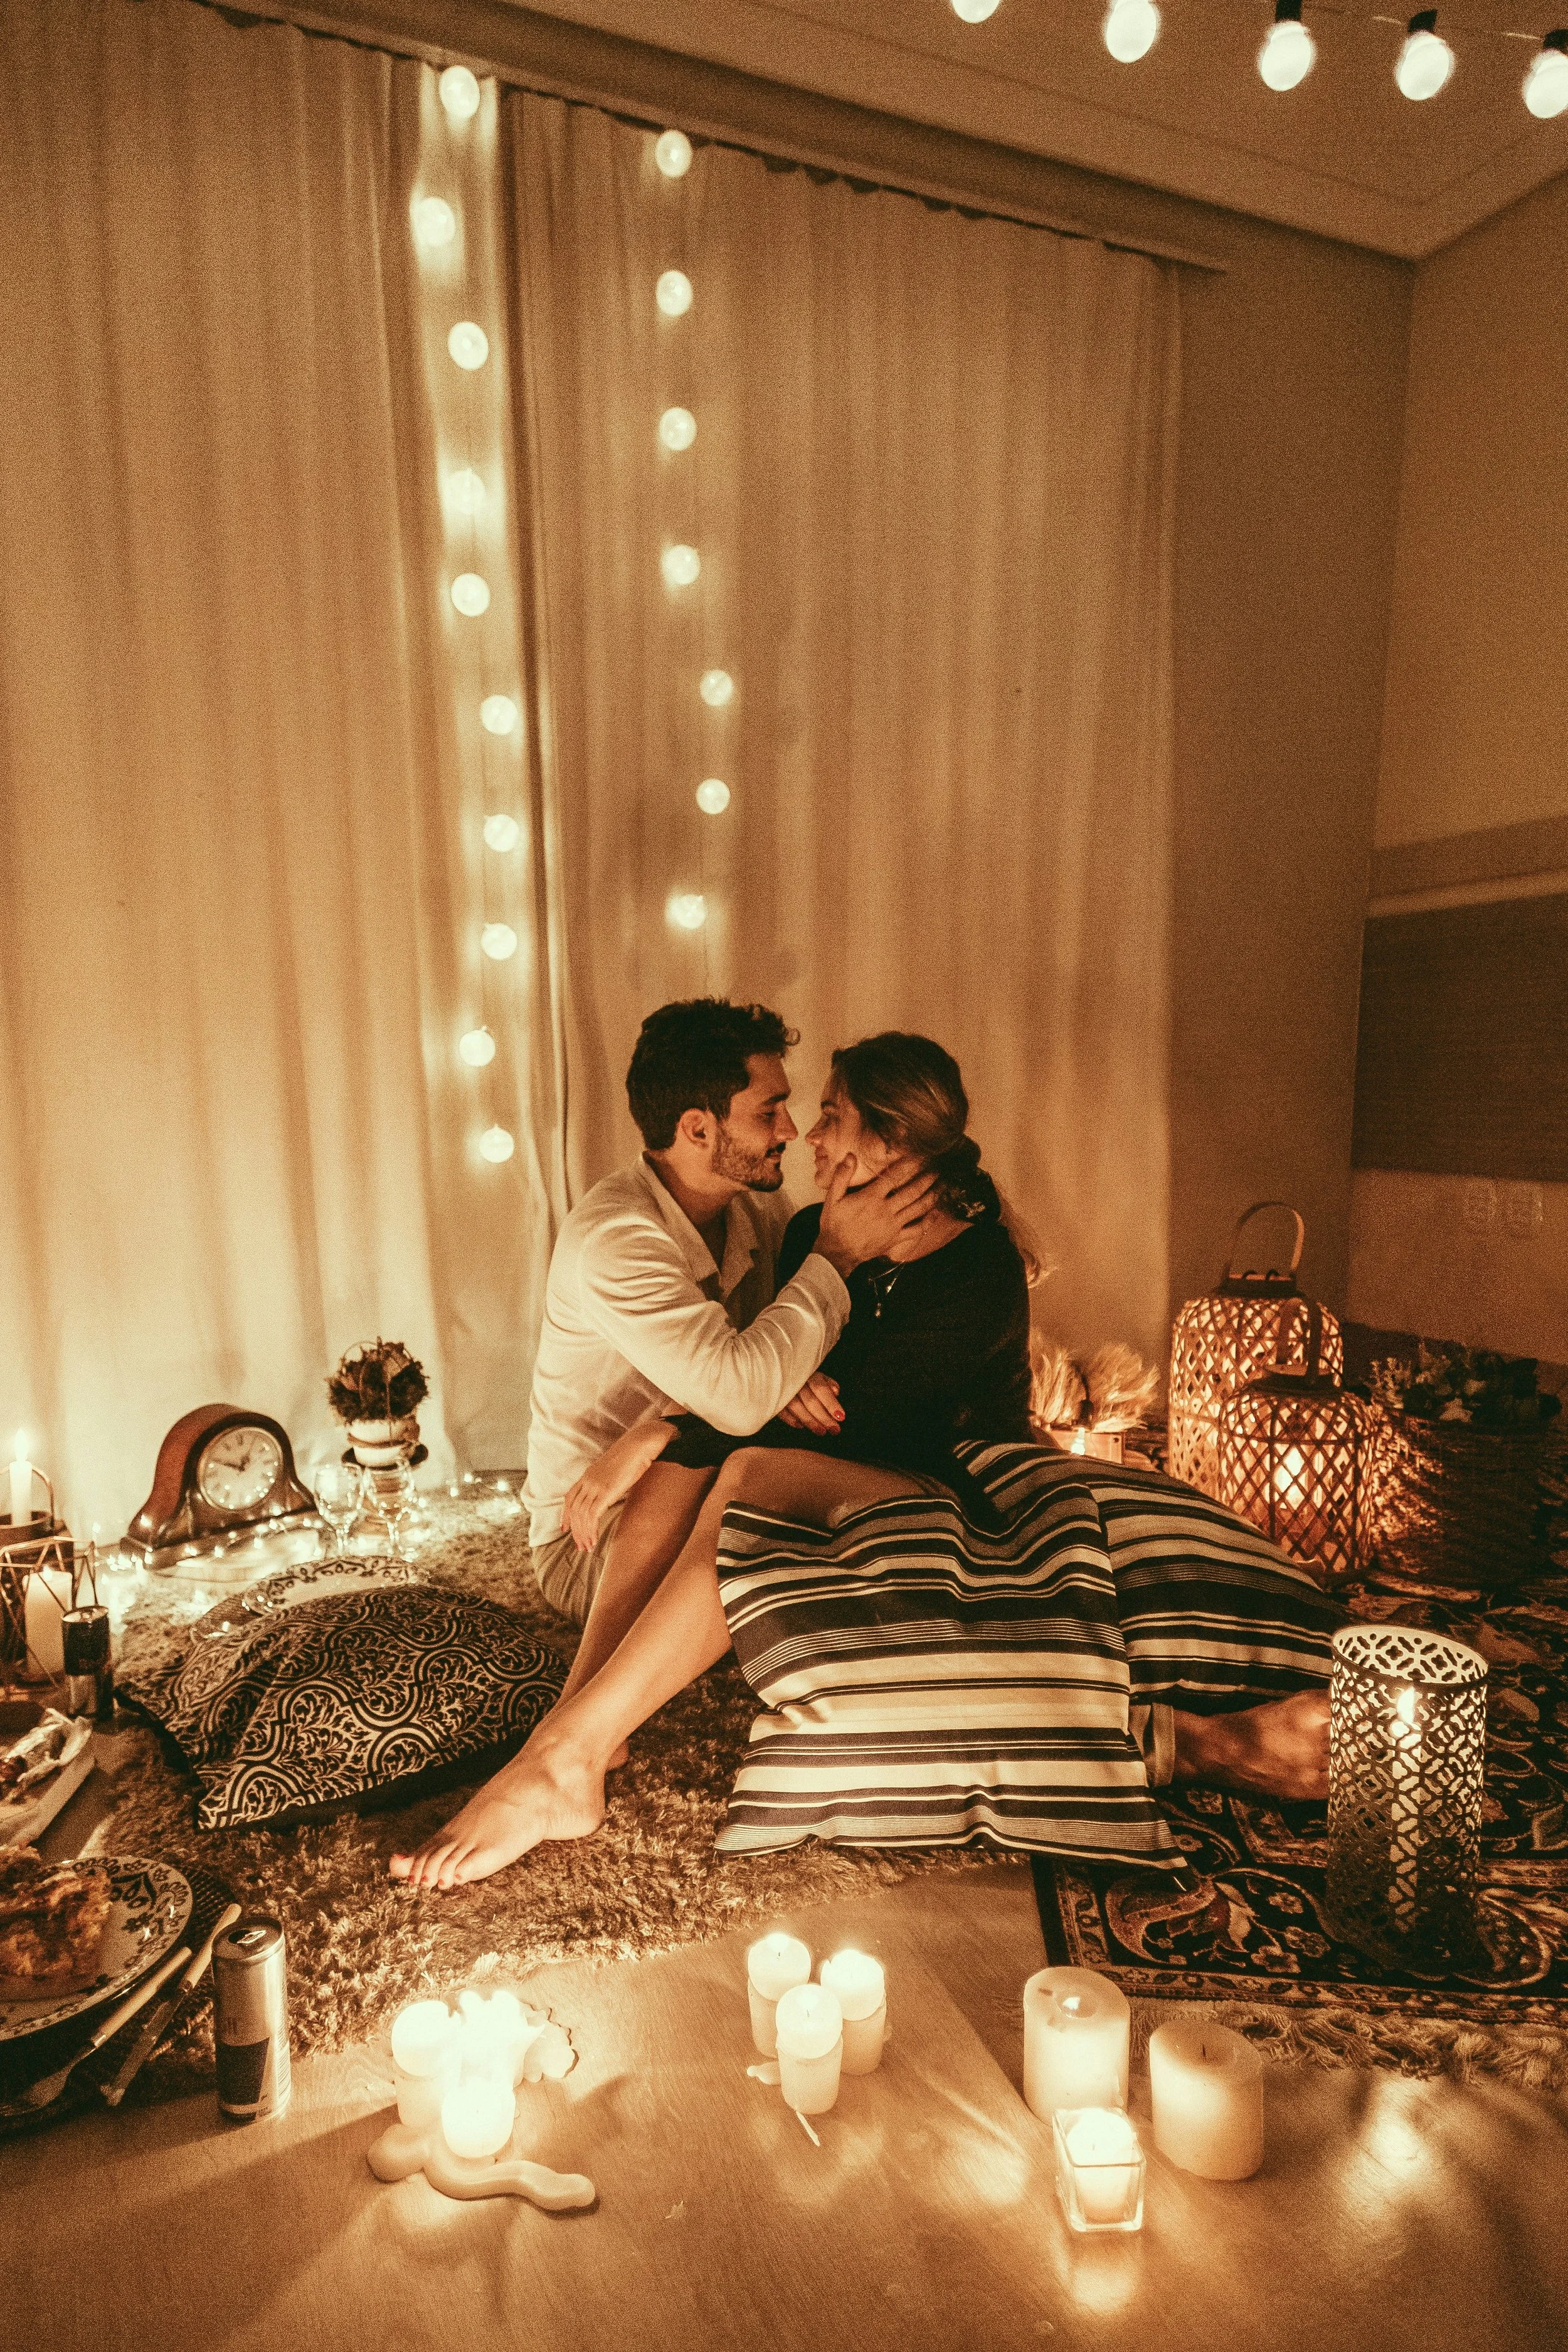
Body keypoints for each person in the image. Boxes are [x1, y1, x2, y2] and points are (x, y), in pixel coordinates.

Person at [393, 1030, 1329, 1894]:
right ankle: (575, 1739)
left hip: (954, 1489)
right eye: (788, 1112)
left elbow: (859, 1419)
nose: (805, 1135)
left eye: (829, 1116)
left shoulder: (979, 1269)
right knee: (711, 1463)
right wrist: (741, 1398)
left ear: (886, 1141)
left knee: (749, 1469)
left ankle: (567, 1753)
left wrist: (740, 1399)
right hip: (841, 1475)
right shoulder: (809, 1235)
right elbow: (763, 1373)